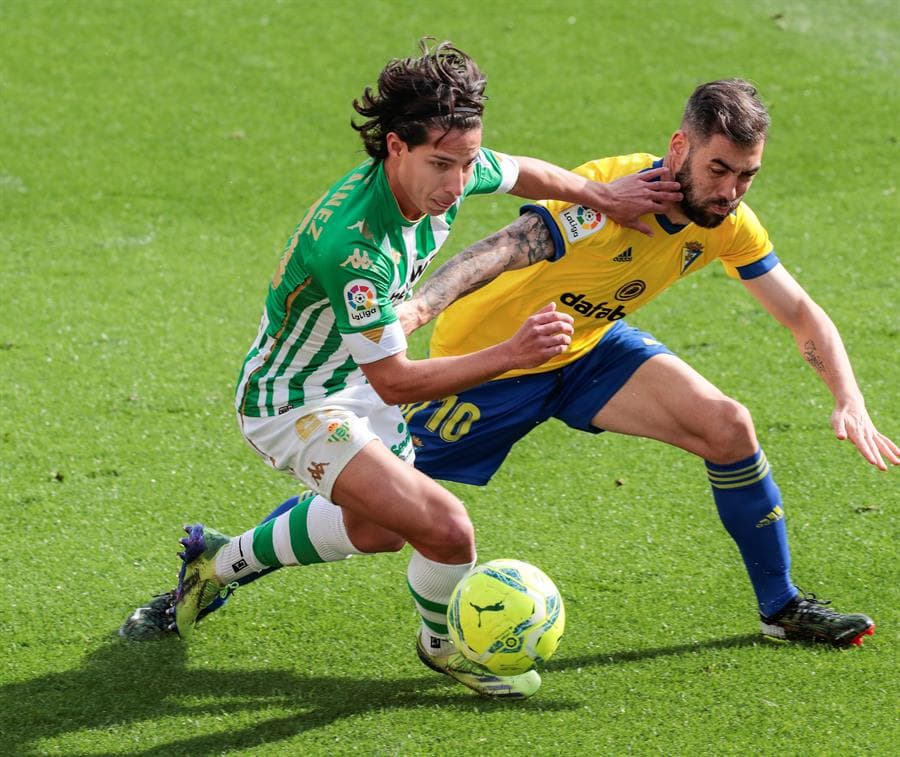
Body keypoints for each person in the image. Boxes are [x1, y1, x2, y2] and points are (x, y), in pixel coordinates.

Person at [119, 39, 680, 701]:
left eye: (466, 163)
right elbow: (398, 382)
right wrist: (513, 353)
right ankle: (448, 648)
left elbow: (519, 170)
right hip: (295, 401)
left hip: (355, 376)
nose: (457, 183)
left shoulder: (448, 170)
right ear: (395, 147)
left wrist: (600, 195)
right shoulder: (358, 248)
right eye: (442, 165)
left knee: (381, 531)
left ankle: (219, 560)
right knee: (447, 528)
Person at [395, 78, 896, 647]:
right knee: (378, 508)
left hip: (587, 348)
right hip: (490, 362)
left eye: (746, 175)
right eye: (719, 169)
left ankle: (779, 607)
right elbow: (502, 249)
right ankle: (269, 550)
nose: (731, 191)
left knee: (728, 427)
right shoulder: (614, 192)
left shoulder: (728, 223)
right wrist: (416, 310)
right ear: (679, 148)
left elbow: (802, 313)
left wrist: (848, 397)